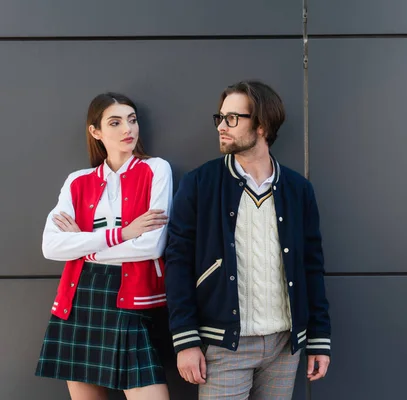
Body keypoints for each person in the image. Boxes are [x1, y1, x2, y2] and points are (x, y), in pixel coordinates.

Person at [165, 80, 331, 399]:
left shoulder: (298, 190)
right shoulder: (200, 183)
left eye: (233, 118)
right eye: (220, 118)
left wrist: (319, 336)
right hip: (224, 344)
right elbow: (178, 263)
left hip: (286, 345)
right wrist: (185, 339)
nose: (221, 127)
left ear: (261, 125)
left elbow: (312, 266)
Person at [35, 92, 172, 400]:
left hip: (131, 298)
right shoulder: (77, 181)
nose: (128, 129)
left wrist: (84, 247)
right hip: (80, 298)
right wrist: (122, 233)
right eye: (115, 122)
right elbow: (51, 246)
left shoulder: (156, 170)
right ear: (95, 132)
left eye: (132, 120)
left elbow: (151, 245)